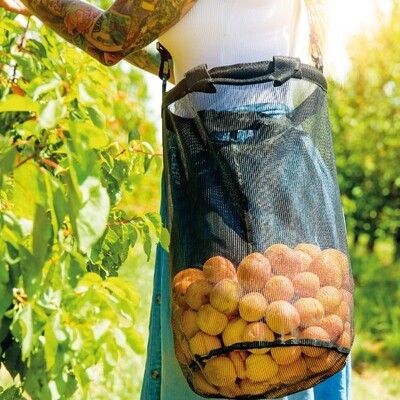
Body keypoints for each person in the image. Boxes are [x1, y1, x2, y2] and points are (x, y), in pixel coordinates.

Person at [0, 1, 351, 399]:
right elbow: (178, 53)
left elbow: (110, 38)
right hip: (280, 166)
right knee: (280, 340)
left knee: (238, 343)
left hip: (225, 175)